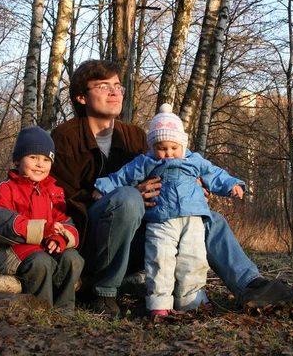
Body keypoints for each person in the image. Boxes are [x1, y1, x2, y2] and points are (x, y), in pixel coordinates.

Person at [50, 59, 293, 318]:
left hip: (142, 238)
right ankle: (103, 292)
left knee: (207, 219)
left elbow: (168, 168)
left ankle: (251, 285)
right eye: (103, 86)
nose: (115, 92)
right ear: (81, 97)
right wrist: (129, 194)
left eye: (118, 86)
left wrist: (186, 190)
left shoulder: (134, 135)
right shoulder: (65, 137)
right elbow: (64, 201)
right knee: (127, 198)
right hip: (91, 240)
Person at [93, 103, 246, 317]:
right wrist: (104, 187)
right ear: (153, 147)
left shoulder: (194, 161)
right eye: (161, 148)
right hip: (161, 220)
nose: (168, 154)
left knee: (194, 258)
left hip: (192, 220)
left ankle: (191, 299)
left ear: (183, 145)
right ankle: (158, 302)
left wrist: (232, 185)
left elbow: (215, 174)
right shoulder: (147, 162)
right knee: (159, 259)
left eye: (173, 148)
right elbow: (123, 175)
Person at [0, 126, 84, 311]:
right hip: (8, 250)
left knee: (72, 257)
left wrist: (59, 237)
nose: (40, 164)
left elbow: (67, 223)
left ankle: (64, 311)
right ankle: (40, 311)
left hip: (43, 249)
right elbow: (0, 221)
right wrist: (42, 230)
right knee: (40, 261)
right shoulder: (6, 188)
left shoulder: (54, 191)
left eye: (46, 159)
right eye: (33, 157)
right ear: (17, 160)